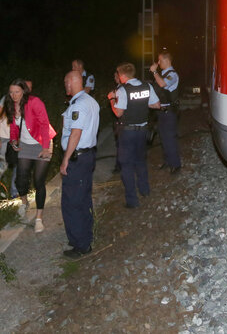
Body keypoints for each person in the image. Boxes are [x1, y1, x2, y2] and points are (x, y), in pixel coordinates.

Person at [5, 79, 56, 233]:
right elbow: (14, 126)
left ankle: (39, 218)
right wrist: (13, 141)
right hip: (26, 145)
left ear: (24, 91)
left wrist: (46, 148)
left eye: (17, 92)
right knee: (20, 178)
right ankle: (24, 202)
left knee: (38, 181)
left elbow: (44, 124)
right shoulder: (13, 105)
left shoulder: (35, 102)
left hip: (42, 142)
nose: (14, 95)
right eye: (11, 92)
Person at [107, 62, 160, 208]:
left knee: (127, 165)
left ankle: (132, 201)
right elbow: (156, 105)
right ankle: (145, 190)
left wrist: (112, 99)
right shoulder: (146, 86)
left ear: (122, 75)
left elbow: (119, 113)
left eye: (118, 74)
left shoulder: (123, 90)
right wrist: (141, 104)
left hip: (128, 132)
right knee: (141, 161)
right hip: (143, 131)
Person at [60, 70, 100, 258]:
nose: (65, 86)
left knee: (73, 201)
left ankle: (81, 244)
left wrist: (66, 159)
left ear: (71, 82)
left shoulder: (79, 105)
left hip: (77, 157)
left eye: (66, 82)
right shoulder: (90, 101)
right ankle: (83, 235)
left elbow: (75, 133)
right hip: (87, 156)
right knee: (83, 198)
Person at [150, 49, 182, 174]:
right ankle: (168, 161)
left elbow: (163, 85)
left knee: (169, 138)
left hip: (169, 112)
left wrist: (154, 72)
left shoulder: (172, 74)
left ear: (167, 60)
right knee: (163, 138)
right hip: (161, 111)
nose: (158, 63)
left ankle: (175, 164)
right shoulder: (162, 74)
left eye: (160, 60)